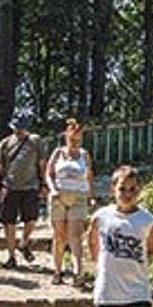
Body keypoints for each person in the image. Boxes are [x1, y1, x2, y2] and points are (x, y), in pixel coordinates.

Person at [87, 165, 153, 307]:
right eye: (122, 189)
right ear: (113, 190)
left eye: (132, 189)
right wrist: (102, 267)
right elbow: (92, 244)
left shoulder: (147, 220)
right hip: (108, 291)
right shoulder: (101, 217)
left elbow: (152, 248)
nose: (127, 194)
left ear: (139, 191)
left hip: (137, 291)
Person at [0, 111, 47, 269]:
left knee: (32, 220)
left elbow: (42, 164)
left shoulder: (36, 141)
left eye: (21, 128)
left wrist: (44, 184)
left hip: (31, 186)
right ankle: (11, 256)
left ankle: (24, 242)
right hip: (10, 186)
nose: (18, 130)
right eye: (16, 127)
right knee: (9, 222)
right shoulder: (5, 143)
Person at [46, 118, 94, 284]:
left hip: (78, 197)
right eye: (72, 139)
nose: (74, 142)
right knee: (59, 236)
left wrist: (91, 196)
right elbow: (48, 173)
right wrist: (52, 189)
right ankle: (57, 271)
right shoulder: (58, 153)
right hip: (58, 196)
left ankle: (77, 271)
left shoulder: (84, 155)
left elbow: (89, 176)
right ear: (66, 137)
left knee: (75, 235)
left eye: (78, 139)